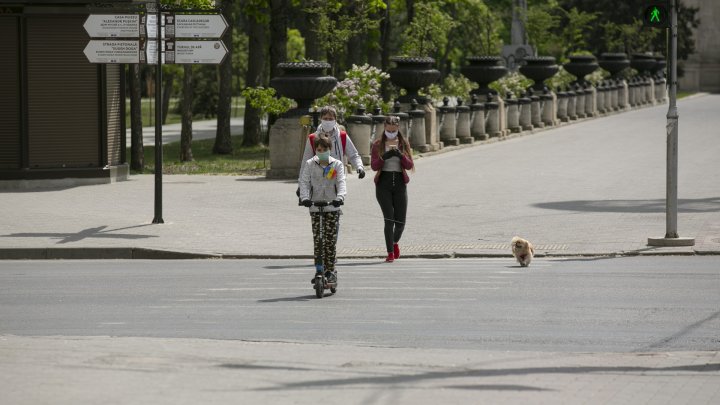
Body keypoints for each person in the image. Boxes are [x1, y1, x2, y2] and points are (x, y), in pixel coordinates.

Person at [298, 135, 346, 283]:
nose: (322, 152)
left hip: (332, 206)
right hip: (315, 207)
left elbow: (341, 182)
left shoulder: (337, 164)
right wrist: (304, 198)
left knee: (329, 240)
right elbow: (304, 182)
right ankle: (319, 269)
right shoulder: (310, 164)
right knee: (318, 240)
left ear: (329, 149)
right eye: (319, 149)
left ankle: (330, 270)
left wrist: (340, 197)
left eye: (325, 149)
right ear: (315, 150)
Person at [370, 115, 414, 263]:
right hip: (383, 184)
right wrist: (385, 156)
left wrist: (400, 155)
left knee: (400, 222)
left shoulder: (403, 143)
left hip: (400, 183)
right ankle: (390, 252)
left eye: (394, 130)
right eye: (388, 130)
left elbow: (409, 165)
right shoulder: (377, 144)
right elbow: (374, 166)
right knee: (389, 220)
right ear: (384, 128)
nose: (391, 133)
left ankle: (394, 242)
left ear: (398, 128)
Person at [299, 105, 365, 179]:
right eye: (325, 118)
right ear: (321, 119)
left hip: (338, 180)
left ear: (335, 120)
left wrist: (359, 167)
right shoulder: (313, 138)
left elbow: (353, 155)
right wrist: (301, 183)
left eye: (330, 119)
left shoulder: (342, 136)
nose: (328, 121)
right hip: (318, 182)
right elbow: (306, 161)